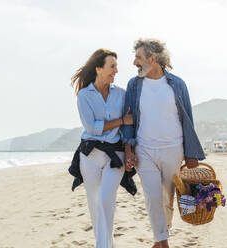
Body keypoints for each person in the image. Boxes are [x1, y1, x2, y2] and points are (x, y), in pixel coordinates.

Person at [122, 39, 205, 248]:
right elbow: (128, 119)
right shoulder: (134, 85)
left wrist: (191, 153)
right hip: (145, 150)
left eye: (139, 58)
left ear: (153, 59)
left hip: (173, 149)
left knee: (168, 199)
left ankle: (160, 238)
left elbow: (188, 119)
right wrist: (128, 148)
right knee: (152, 197)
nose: (134, 62)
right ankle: (163, 242)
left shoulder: (177, 84)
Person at [70, 48, 135, 248]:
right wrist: (121, 120)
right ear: (99, 69)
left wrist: (129, 150)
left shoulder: (122, 94)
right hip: (89, 156)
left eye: (116, 67)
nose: (116, 71)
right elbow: (92, 128)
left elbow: (128, 127)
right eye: (112, 66)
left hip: (115, 155)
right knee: (95, 206)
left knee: (106, 201)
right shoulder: (84, 95)